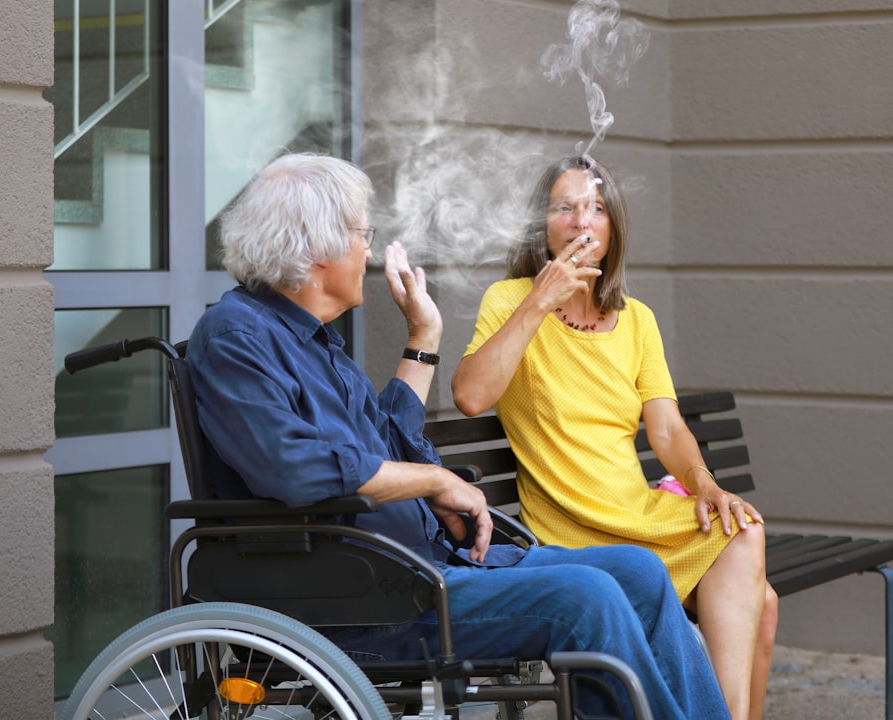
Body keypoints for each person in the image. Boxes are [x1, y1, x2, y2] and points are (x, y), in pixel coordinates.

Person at [186, 152, 730, 720]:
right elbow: (294, 469)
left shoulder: (316, 343)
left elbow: (388, 439)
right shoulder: (236, 336)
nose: (368, 252)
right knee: (586, 598)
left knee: (640, 573)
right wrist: (433, 480)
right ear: (317, 246)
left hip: (422, 568)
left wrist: (424, 336)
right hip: (364, 599)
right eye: (361, 235)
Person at [451, 154, 779, 720]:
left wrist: (704, 484)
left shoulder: (637, 319)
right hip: (569, 528)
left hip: (636, 515)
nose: (582, 221)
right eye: (565, 207)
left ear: (613, 228)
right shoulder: (510, 300)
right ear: (542, 225)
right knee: (761, 601)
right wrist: (541, 301)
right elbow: (470, 396)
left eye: (597, 208)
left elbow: (666, 426)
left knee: (745, 534)